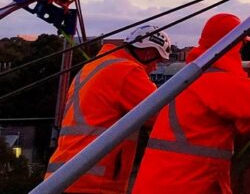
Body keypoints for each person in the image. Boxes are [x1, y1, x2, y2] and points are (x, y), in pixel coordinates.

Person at [133, 13, 250, 194]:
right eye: (241, 44)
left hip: (159, 182)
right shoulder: (218, 80)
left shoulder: (191, 76)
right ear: (234, 44)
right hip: (185, 185)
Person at [45, 25, 171, 194]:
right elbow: (165, 116)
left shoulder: (92, 67)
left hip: (61, 176)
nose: (155, 68)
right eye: (157, 61)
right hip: (93, 180)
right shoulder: (127, 71)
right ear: (148, 53)